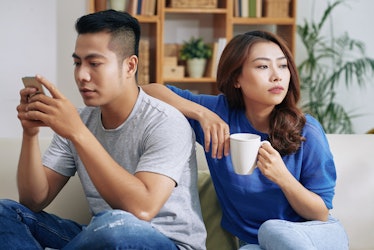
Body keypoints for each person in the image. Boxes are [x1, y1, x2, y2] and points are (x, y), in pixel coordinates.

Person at [0, 10, 206, 250]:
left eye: (94, 63)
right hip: (101, 236)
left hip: (166, 242)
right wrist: (30, 133)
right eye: (77, 63)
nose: (81, 75)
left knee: (117, 224)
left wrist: (77, 132)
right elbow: (33, 200)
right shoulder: (79, 120)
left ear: (130, 66)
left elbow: (142, 208)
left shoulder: (166, 121)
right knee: (6, 212)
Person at [142, 30, 349, 249]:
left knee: (271, 230)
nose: (277, 75)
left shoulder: (307, 130)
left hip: (314, 235)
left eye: (282, 65)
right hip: (255, 242)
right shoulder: (219, 115)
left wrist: (282, 177)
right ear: (236, 79)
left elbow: (320, 212)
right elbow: (147, 92)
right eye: (263, 66)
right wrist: (202, 114)